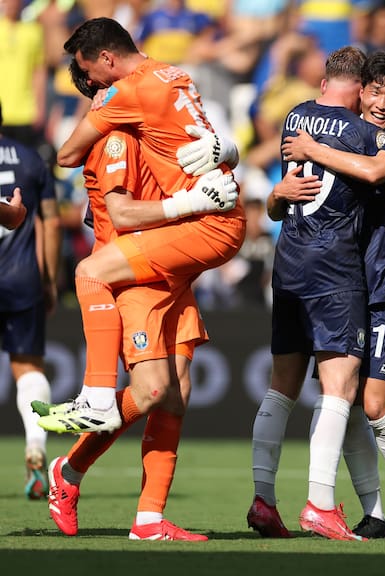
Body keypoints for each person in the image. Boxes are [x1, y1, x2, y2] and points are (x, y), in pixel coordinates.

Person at [36, 17, 245, 434]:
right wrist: (233, 151)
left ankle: (96, 397)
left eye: (88, 69)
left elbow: (66, 154)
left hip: (203, 221)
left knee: (90, 272)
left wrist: (102, 107)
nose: (89, 79)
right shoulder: (175, 74)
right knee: (165, 389)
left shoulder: (127, 91)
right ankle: (127, 494)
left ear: (107, 58)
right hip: (209, 213)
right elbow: (202, 140)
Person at [278, 50, 385, 541]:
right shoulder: (347, 133)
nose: (382, 102)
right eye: (375, 90)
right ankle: (374, 512)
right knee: (345, 399)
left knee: (374, 404)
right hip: (340, 280)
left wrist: (321, 151)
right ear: (360, 89)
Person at [248, 45, 380, 542]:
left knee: (281, 385)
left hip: (289, 260)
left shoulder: (295, 118)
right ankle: (320, 505)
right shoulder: (365, 134)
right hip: (333, 266)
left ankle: (263, 500)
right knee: (339, 387)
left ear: (325, 82)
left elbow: (281, 205)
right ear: (363, 88)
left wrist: (277, 198)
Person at [0, 101, 60, 499]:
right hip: (21, 276)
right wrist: (51, 279)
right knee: (28, 368)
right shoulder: (31, 158)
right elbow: (51, 220)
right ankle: (36, 448)